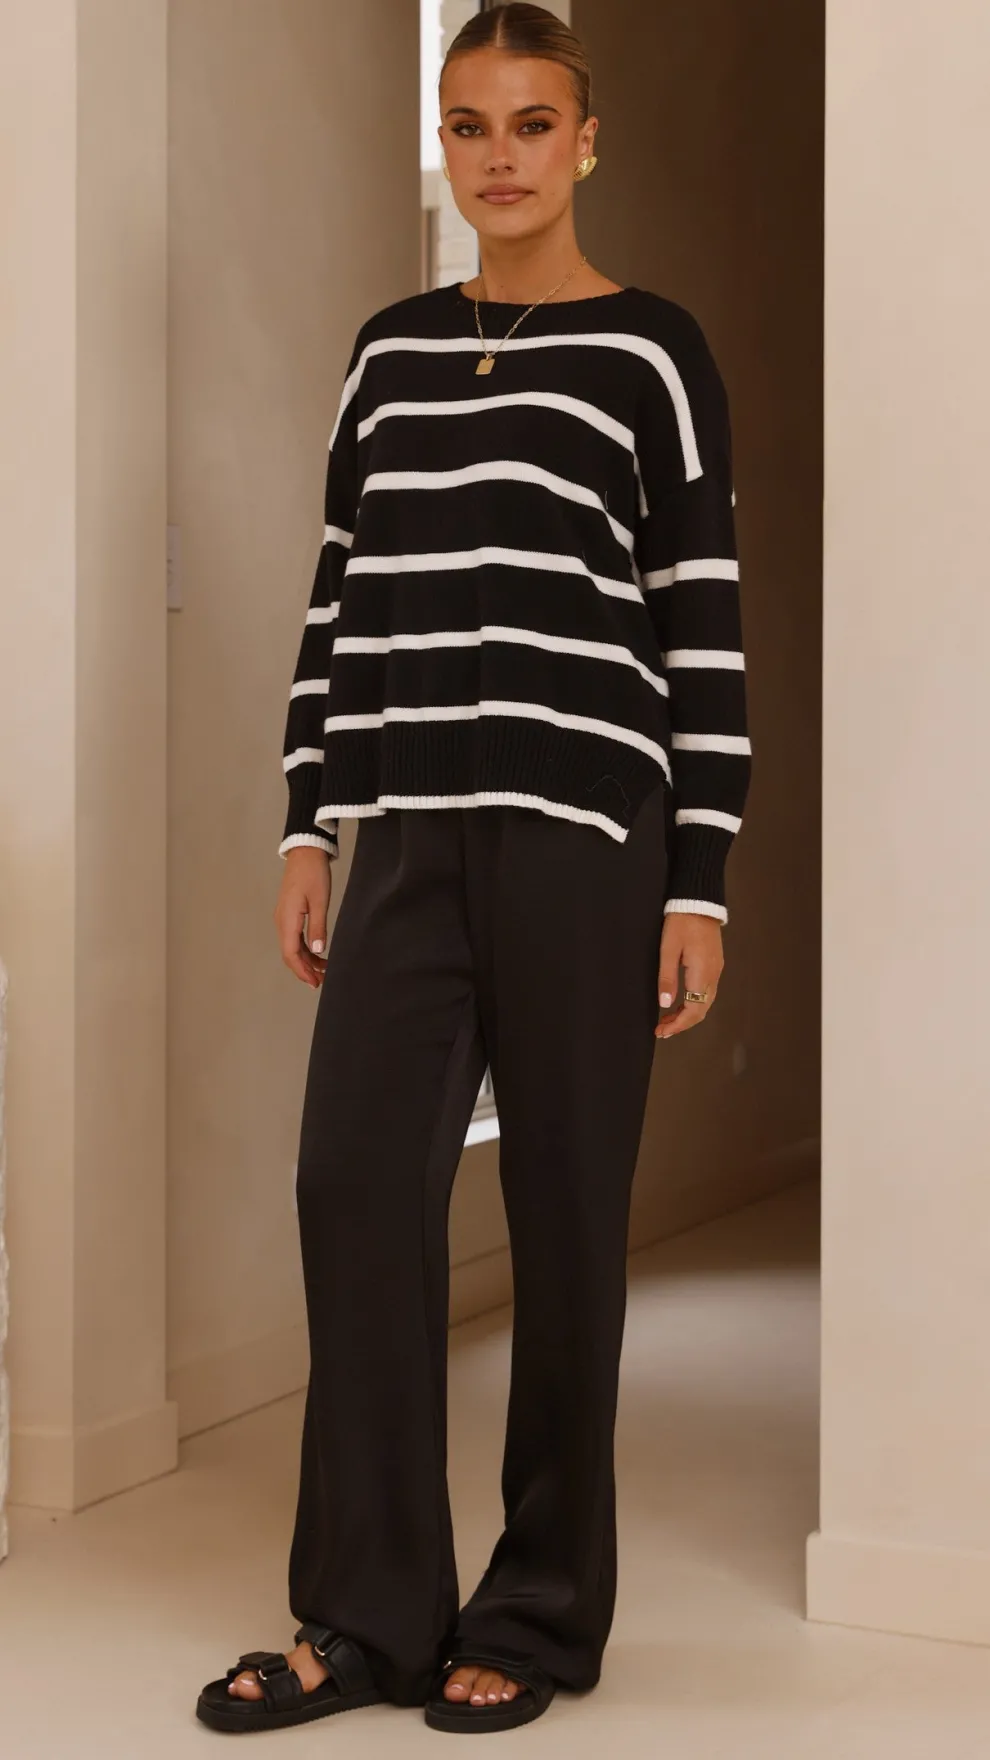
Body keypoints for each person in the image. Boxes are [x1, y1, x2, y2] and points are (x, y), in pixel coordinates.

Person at [195, 0, 751, 1738]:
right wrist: (309, 821)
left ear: (585, 140)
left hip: (590, 844)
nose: (496, 156)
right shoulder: (389, 354)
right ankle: (366, 1615)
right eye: (466, 124)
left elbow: (700, 627)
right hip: (408, 836)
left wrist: (698, 880)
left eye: (528, 124)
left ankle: (540, 1611)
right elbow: (338, 600)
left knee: (567, 1222)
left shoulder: (652, 352)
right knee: (352, 1189)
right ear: (440, 144)